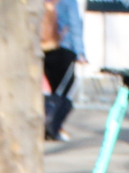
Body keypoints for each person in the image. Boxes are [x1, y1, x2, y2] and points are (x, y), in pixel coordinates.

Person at [42, 0, 85, 141]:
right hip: (64, 47)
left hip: (44, 49)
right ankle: (52, 128)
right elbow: (74, 25)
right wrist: (80, 53)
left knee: (54, 90)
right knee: (66, 91)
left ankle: (50, 127)